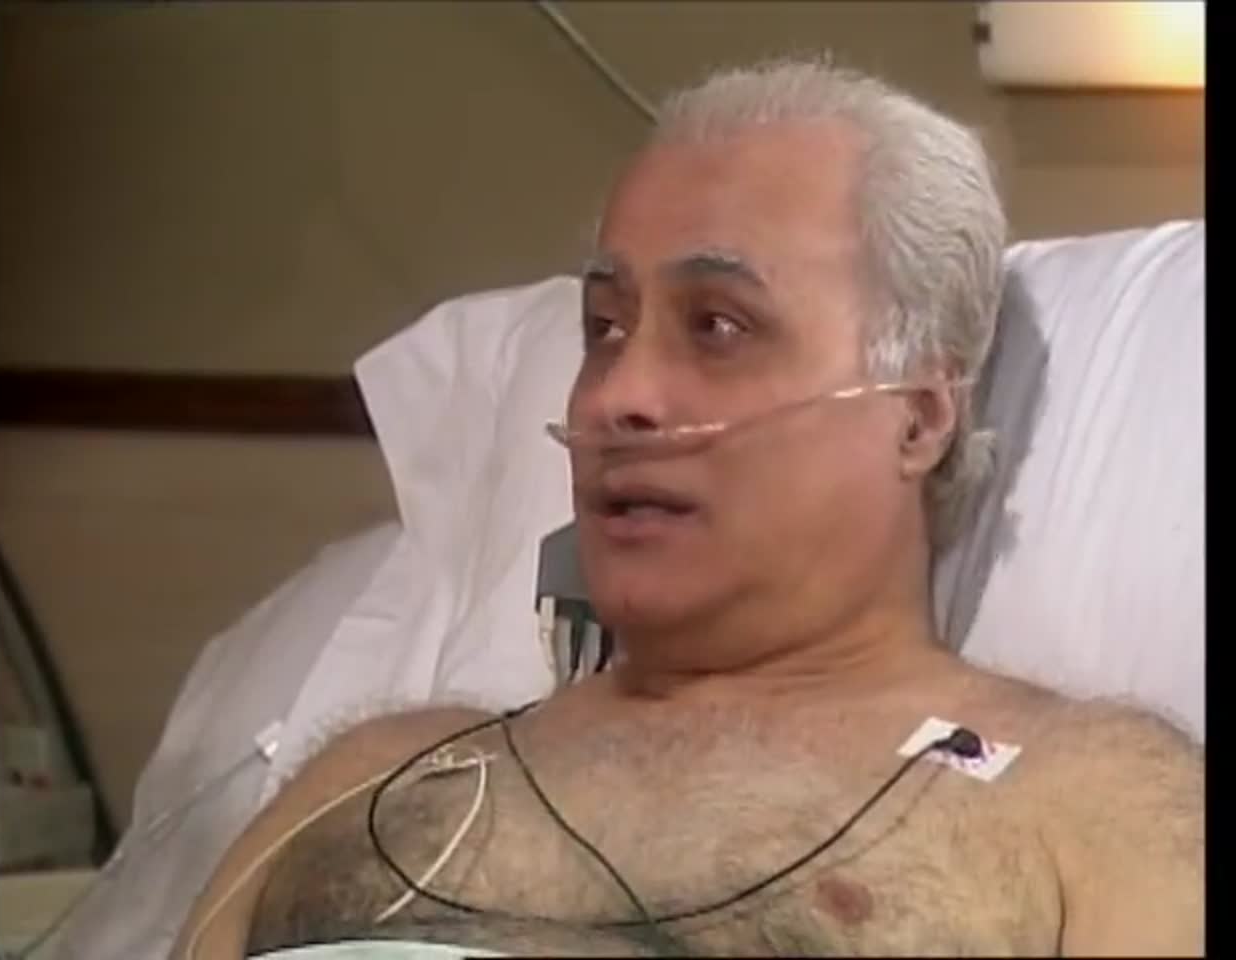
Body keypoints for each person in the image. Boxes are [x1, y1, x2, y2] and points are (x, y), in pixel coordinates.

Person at [171, 58, 1203, 958]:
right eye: (603, 327)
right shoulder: (369, 779)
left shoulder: (1086, 805)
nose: (617, 396)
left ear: (918, 417)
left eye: (718, 326)